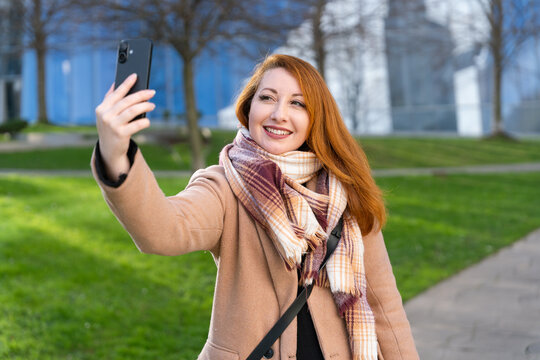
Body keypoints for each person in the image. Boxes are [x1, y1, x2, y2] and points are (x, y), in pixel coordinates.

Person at [92, 54, 419, 360]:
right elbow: (162, 230)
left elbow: (384, 308)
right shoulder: (224, 185)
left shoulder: (346, 194)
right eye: (267, 98)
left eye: (298, 103)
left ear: (316, 119)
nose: (279, 114)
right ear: (248, 108)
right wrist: (116, 156)